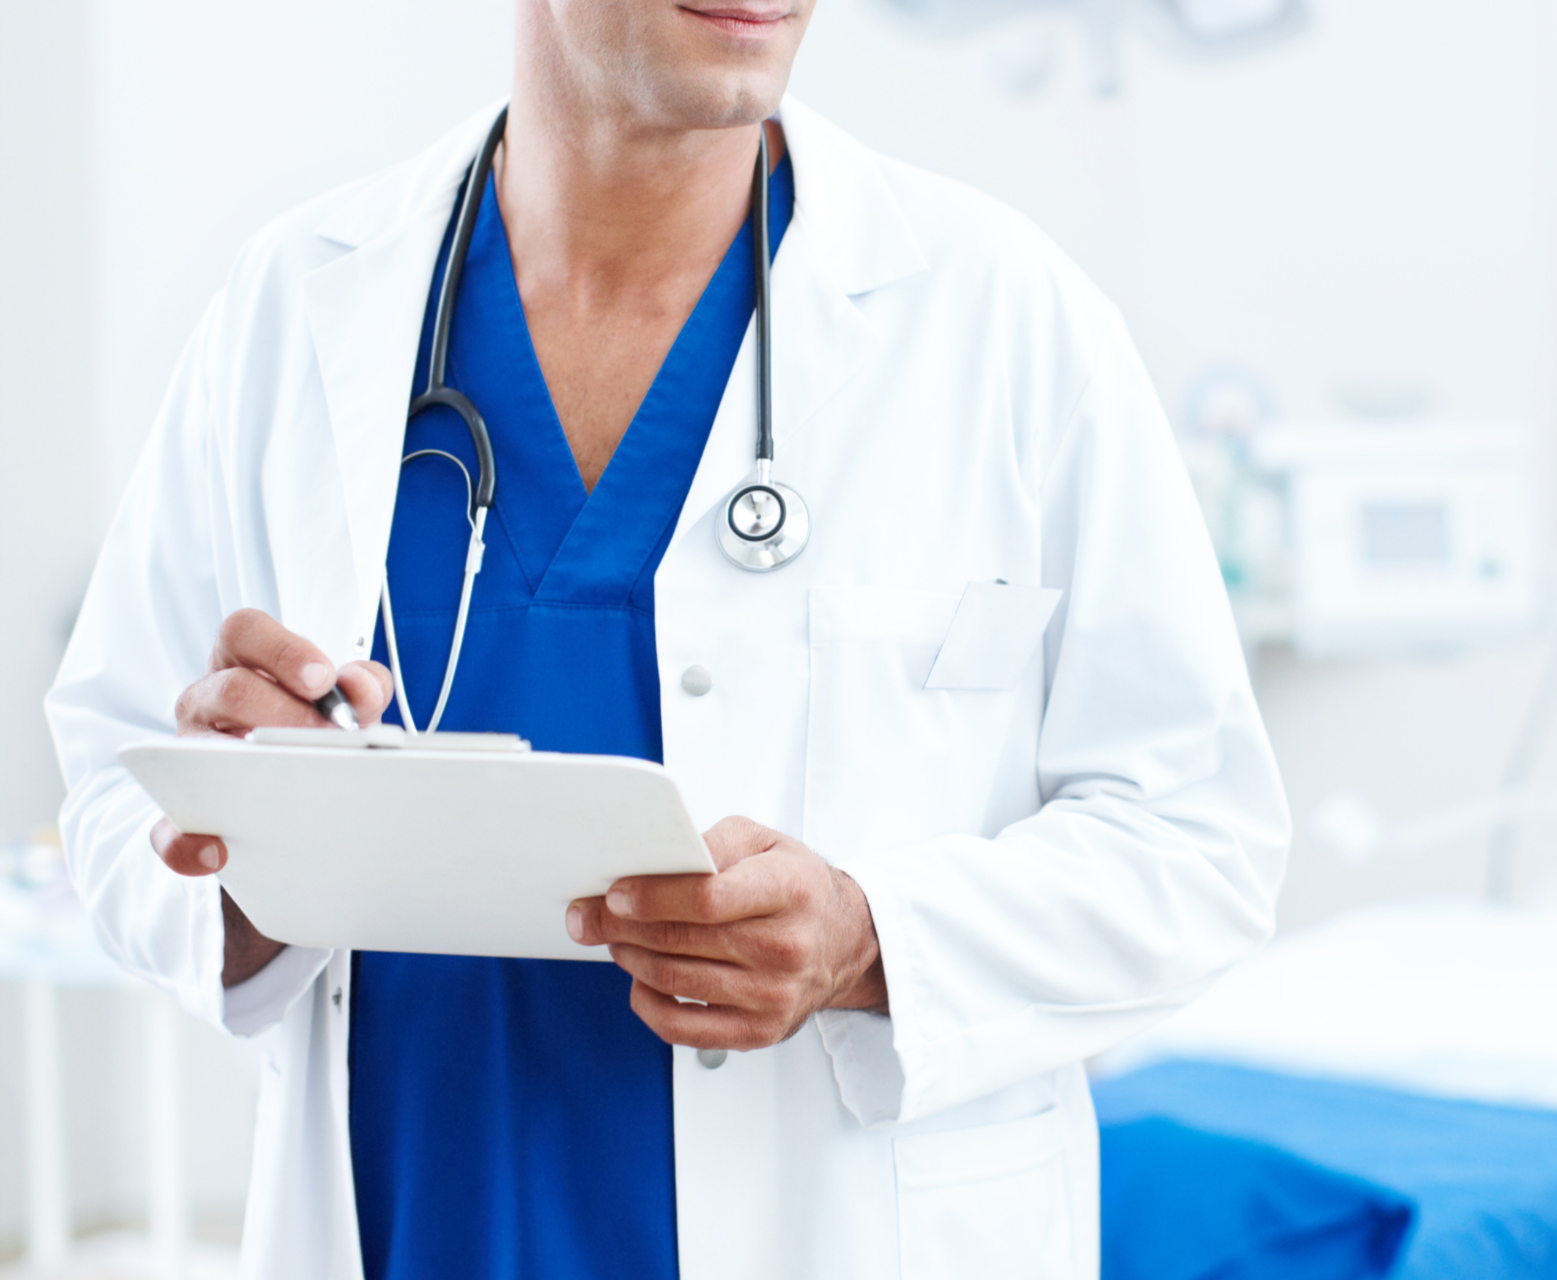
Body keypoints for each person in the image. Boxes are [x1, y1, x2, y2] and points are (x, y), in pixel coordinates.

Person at [45, 0, 1289, 1276]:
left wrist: (874, 937)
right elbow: (108, 776)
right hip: (416, 1220)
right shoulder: (295, 302)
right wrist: (250, 863)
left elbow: (1198, 837)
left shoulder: (1006, 319)